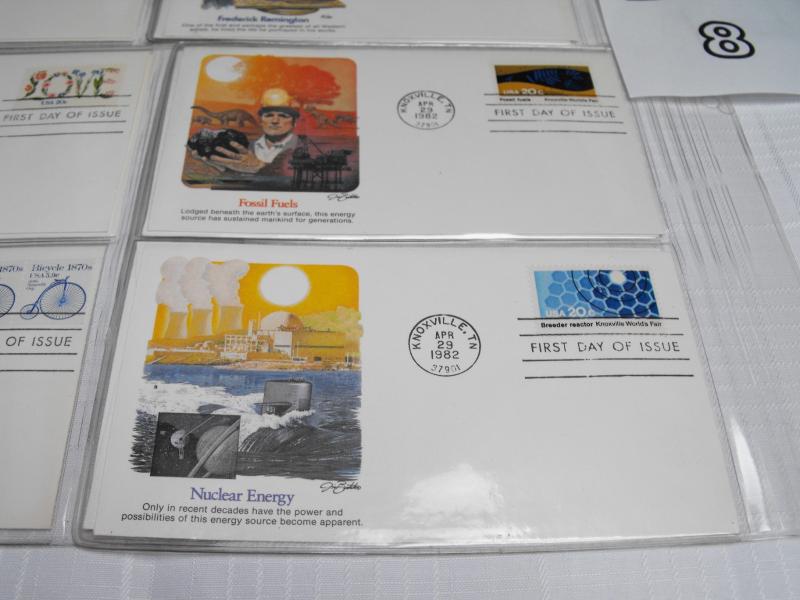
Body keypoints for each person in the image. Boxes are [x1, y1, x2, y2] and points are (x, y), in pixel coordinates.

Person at [201, 88, 300, 177]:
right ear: (261, 121)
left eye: (283, 116)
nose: (274, 121)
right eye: (269, 115)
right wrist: (225, 169)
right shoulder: (246, 146)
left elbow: (303, 181)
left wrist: (260, 167)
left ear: (294, 122)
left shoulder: (306, 147)